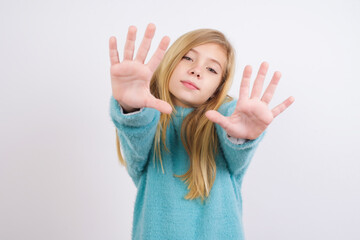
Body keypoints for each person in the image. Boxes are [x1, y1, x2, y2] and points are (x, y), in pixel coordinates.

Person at [108, 23, 294, 240]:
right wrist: (132, 108)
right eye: (188, 58)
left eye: (212, 69)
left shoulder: (223, 122)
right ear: (170, 61)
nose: (196, 70)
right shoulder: (148, 122)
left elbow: (234, 131)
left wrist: (242, 135)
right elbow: (136, 137)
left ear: (218, 87)